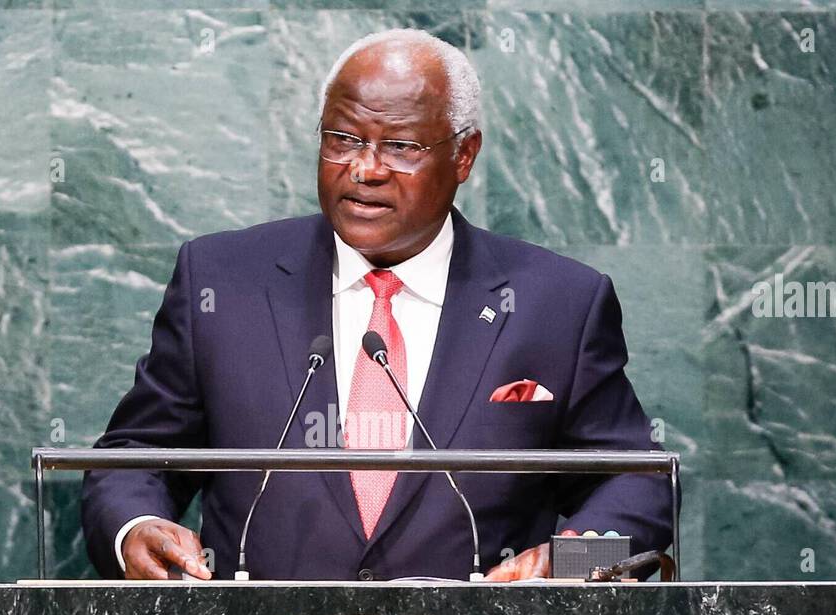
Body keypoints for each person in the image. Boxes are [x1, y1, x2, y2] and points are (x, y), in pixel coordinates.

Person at [81, 29, 676, 582]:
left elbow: (643, 485)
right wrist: (133, 528)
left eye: (401, 146)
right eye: (342, 139)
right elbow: (132, 456)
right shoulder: (222, 282)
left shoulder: (558, 302)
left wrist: (573, 558)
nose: (365, 169)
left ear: (464, 156)